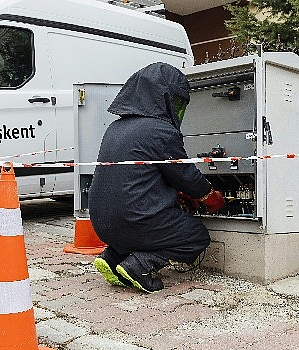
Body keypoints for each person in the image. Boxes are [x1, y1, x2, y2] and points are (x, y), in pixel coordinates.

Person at [88, 62, 225, 293]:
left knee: (136, 228)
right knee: (196, 236)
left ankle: (112, 258)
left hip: (102, 225)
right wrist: (209, 196)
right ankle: (140, 265)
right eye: (178, 102)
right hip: (135, 221)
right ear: (164, 98)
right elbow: (187, 176)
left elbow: (138, 178)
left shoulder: (114, 128)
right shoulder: (159, 130)